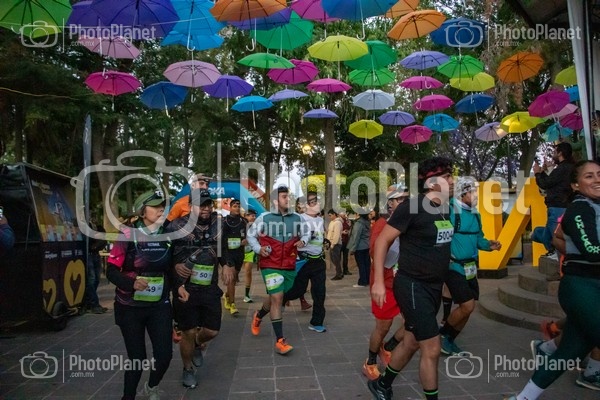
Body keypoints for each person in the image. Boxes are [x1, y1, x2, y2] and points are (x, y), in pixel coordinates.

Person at [506, 160, 600, 399]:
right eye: (589, 176)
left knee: (568, 352)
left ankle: (523, 397)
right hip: (581, 287)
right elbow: (591, 250)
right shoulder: (579, 208)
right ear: (575, 185)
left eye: (599, 174)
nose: (597, 179)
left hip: (593, 286)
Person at [369, 157, 454, 400]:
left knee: (411, 341)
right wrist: (378, 282)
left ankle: (382, 384)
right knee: (432, 348)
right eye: (447, 177)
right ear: (432, 183)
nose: (452, 181)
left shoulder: (444, 208)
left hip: (433, 287)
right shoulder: (411, 207)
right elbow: (382, 241)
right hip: (413, 286)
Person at [105, 190, 173, 400]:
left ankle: (151, 386)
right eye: (155, 206)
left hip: (159, 306)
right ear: (142, 211)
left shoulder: (168, 233)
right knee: (137, 359)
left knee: (164, 355)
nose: (161, 210)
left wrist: (179, 286)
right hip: (130, 308)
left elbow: (171, 268)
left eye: (162, 206)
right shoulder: (127, 234)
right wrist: (132, 283)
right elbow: (111, 271)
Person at [166, 189, 236, 389]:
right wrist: (174, 268)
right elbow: (164, 256)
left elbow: (224, 249)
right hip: (185, 288)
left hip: (209, 287)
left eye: (208, 204)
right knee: (187, 331)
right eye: (200, 205)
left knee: (212, 331)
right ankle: (187, 369)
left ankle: (197, 343)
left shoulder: (218, 225)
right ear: (190, 206)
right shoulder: (176, 226)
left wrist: (227, 264)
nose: (205, 208)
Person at [439, 177, 501, 355]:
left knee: (468, 308)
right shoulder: (449, 211)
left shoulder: (475, 214)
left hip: (471, 268)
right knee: (468, 306)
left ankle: (449, 340)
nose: (476, 195)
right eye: (472, 192)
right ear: (462, 193)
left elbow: (479, 238)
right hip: (453, 267)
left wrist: (489, 245)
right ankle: (442, 336)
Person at [246, 186, 310, 355]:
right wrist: (258, 249)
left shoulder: (297, 218)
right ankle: (280, 341)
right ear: (275, 201)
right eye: (284, 197)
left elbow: (307, 233)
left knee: (277, 296)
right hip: (270, 264)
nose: (288, 199)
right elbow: (251, 235)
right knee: (277, 298)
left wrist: (303, 241)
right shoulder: (264, 218)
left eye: (288, 196)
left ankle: (259, 315)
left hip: (289, 265)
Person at [362, 185, 408, 380]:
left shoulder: (409, 222)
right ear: (390, 203)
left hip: (404, 281)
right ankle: (370, 362)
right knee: (383, 326)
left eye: (407, 199)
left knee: (413, 323)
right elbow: (375, 253)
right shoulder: (382, 224)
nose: (405, 203)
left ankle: (387, 347)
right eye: (400, 199)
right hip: (385, 283)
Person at [283, 192, 327, 332]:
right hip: (303, 260)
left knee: (320, 293)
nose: (317, 204)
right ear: (305, 206)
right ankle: (277, 300)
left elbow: (318, 236)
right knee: (297, 291)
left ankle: (316, 322)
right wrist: (300, 241)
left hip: (318, 261)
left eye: (317, 201)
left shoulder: (320, 220)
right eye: (312, 202)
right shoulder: (299, 218)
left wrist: (325, 242)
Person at [532, 142, 574, 258]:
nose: (553, 155)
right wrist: (542, 173)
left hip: (557, 206)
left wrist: (537, 173)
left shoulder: (562, 169)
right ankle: (553, 251)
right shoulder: (567, 168)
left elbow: (545, 184)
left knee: (553, 234)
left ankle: (555, 252)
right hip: (559, 206)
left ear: (560, 153)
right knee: (541, 233)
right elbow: (551, 183)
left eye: (555, 152)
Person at [222, 198, 247, 316]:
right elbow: (220, 238)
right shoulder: (224, 221)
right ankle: (232, 304)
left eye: (238, 206)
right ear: (230, 207)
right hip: (228, 253)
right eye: (235, 206)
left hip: (239, 253)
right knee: (231, 279)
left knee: (234, 278)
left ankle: (227, 295)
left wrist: (246, 240)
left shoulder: (244, 221)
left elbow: (249, 235)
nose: (237, 208)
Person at [84, 214, 108, 314]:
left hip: (95, 253)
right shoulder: (87, 226)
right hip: (89, 253)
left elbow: (103, 238)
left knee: (96, 279)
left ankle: (90, 301)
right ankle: (94, 303)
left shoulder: (98, 227)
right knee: (92, 279)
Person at [348, 208, 370, 287]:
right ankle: (367, 280)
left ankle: (362, 281)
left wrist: (353, 249)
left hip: (360, 247)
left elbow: (356, 237)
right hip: (367, 245)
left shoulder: (358, 223)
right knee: (366, 264)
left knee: (361, 265)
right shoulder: (367, 222)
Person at [242, 208, 257, 303]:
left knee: (248, 272)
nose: (253, 217)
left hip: (249, 252)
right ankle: (228, 294)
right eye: (252, 215)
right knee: (234, 275)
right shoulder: (240, 225)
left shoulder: (256, 227)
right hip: (239, 252)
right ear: (245, 216)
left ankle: (246, 295)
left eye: (254, 216)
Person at [327, 209, 344, 280]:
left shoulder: (337, 223)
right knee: (333, 259)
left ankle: (339, 274)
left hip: (335, 244)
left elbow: (336, 235)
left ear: (334, 214)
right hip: (331, 243)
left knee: (336, 259)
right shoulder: (332, 222)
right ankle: (339, 272)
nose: (329, 217)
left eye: (330, 215)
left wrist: (333, 244)